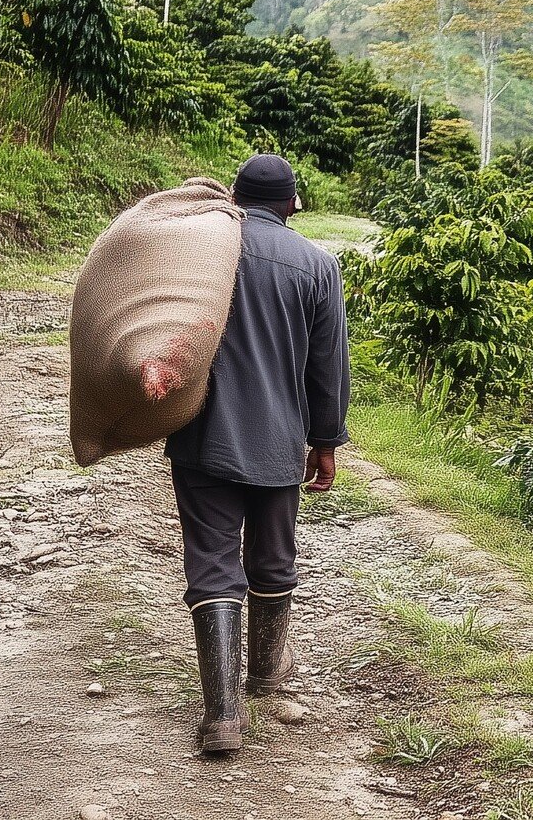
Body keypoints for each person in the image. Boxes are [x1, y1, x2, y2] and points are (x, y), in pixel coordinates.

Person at [163, 153, 349, 754]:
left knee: (213, 562)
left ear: (235, 199)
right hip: (277, 438)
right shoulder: (318, 265)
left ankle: (222, 715)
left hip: (202, 435)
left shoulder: (202, 250)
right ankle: (266, 673)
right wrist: (326, 440)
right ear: (293, 203)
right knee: (273, 556)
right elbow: (327, 366)